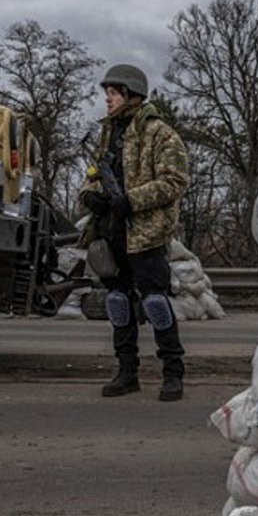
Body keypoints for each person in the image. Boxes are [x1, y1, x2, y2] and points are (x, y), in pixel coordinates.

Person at [80, 64, 190, 401]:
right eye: (107, 94)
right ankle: (127, 373)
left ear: (130, 94)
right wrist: (89, 196)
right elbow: (94, 173)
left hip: (145, 232)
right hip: (112, 232)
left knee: (156, 302)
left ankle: (173, 374)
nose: (107, 100)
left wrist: (131, 201)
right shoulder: (106, 132)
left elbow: (175, 181)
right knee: (118, 302)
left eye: (112, 93)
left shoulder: (159, 133)